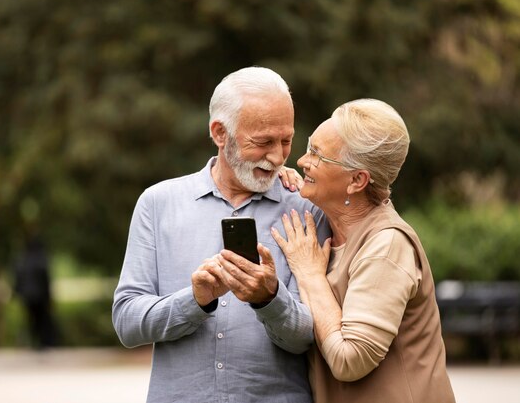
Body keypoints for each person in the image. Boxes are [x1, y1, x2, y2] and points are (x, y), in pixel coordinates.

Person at [112, 66, 330, 403]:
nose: (276, 156)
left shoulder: (306, 210)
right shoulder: (158, 204)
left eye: (286, 140)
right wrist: (195, 300)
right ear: (219, 133)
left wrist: (269, 298)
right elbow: (128, 324)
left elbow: (310, 336)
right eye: (263, 142)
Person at [265, 99, 455, 402]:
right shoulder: (330, 225)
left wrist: (311, 275)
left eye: (317, 155)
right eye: (309, 147)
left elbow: (349, 360)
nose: (301, 160)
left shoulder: (386, 246)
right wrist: (284, 183)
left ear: (357, 180)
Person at [14, 236, 57, 349]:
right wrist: (49, 297)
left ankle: (34, 342)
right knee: (42, 319)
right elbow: (45, 280)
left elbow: (17, 278)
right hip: (40, 297)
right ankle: (44, 343)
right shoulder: (41, 259)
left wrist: (17, 293)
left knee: (31, 320)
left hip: (27, 296)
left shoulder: (22, 260)